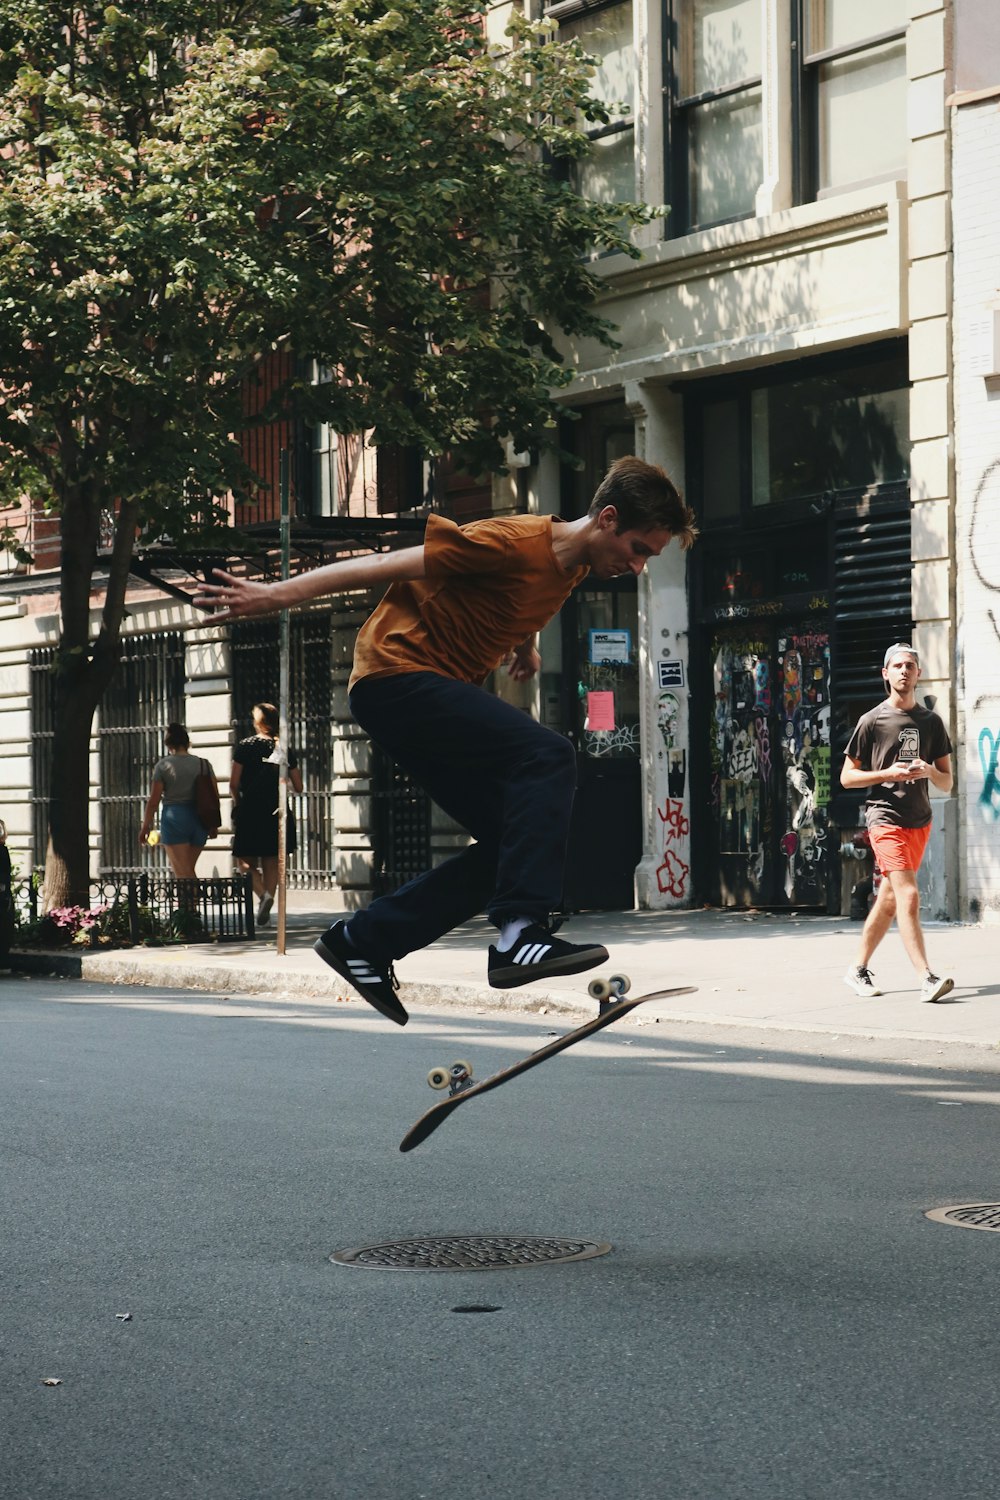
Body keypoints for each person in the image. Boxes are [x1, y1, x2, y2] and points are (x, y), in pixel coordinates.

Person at [194, 456, 698, 1026]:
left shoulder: (574, 567)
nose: (636, 566)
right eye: (638, 550)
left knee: (513, 841)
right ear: (607, 519)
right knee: (549, 753)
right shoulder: (508, 541)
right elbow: (384, 563)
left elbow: (519, 599)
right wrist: (276, 595)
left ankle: (364, 941)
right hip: (396, 675)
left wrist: (524, 646)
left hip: (419, 690)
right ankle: (518, 935)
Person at [840, 643, 954, 1003]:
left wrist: (930, 770)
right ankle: (927, 976)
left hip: (919, 819)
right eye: (897, 666)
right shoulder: (872, 720)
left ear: (918, 674)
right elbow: (846, 777)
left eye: (910, 666)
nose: (904, 671)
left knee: (889, 899)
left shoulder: (931, 722)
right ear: (885, 674)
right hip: (883, 817)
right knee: (908, 894)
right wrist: (887, 772)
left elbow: (948, 782)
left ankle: (857, 968)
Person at [231, 702, 304, 927]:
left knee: (243, 861)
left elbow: (234, 783)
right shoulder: (282, 748)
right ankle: (267, 907)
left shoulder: (245, 746)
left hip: (251, 810)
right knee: (272, 861)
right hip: (277, 810)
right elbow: (299, 786)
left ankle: (264, 896)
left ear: (258, 722)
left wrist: (239, 803)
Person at [140, 723, 220, 880]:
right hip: (200, 819)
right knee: (187, 869)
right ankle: (190, 904)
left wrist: (145, 827)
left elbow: (154, 801)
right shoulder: (203, 764)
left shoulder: (163, 766)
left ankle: (190, 905)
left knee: (182, 872)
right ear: (187, 742)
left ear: (168, 744)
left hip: (175, 818)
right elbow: (214, 795)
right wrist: (213, 824)